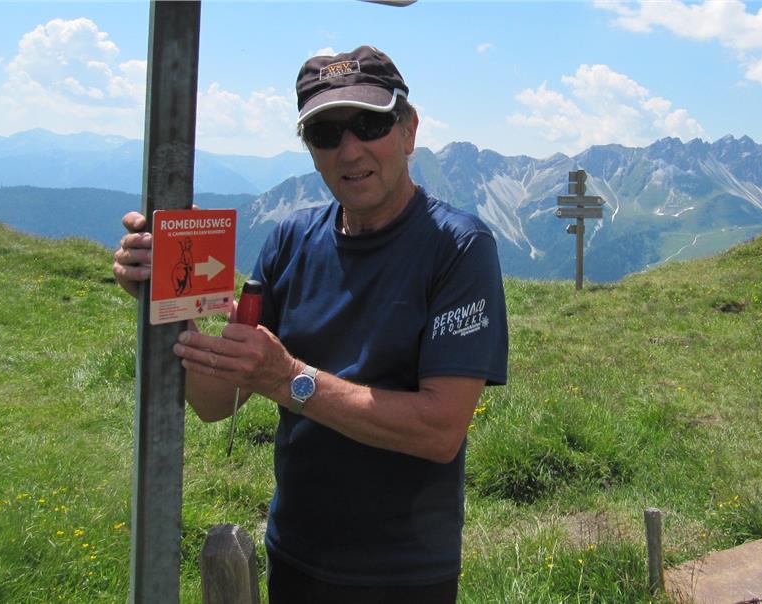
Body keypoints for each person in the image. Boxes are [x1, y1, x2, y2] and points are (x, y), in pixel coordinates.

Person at [114, 45, 508, 604]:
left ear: (408, 130)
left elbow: (440, 431)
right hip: (296, 554)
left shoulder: (459, 247)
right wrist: (169, 305)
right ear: (311, 151)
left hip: (404, 574)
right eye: (325, 133)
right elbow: (216, 401)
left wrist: (288, 379)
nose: (350, 150)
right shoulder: (291, 239)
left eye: (369, 124)